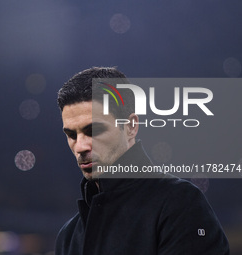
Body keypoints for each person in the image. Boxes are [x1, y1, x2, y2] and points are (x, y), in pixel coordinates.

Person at [55, 67, 229, 255]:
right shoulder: (68, 235)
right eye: (72, 135)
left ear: (131, 126)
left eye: (93, 131)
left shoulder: (179, 203)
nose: (80, 146)